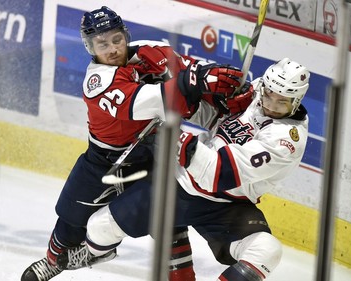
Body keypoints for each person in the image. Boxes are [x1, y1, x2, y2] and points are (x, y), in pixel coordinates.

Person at [20, 6, 244, 281]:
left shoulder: (153, 52)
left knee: (167, 219)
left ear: (125, 35)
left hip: (154, 155)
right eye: (101, 44)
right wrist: (196, 81)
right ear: (90, 47)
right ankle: (56, 261)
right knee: (71, 218)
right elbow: (152, 100)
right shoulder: (97, 82)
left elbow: (192, 71)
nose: (112, 48)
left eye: (116, 39)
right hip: (105, 160)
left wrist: (223, 95)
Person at [55, 57, 310, 280]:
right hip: (179, 186)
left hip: (227, 203)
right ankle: (93, 254)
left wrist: (180, 142)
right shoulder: (257, 94)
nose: (271, 105)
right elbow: (212, 117)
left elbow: (218, 174)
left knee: (267, 250)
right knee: (99, 228)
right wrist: (209, 101)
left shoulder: (286, 140)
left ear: (296, 101)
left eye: (282, 102)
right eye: (268, 95)